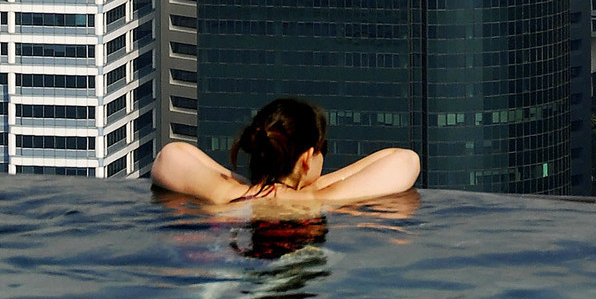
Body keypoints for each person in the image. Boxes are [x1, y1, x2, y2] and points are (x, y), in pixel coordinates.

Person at [151, 96, 419, 207]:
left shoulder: (226, 195)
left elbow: (172, 154)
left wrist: (250, 187)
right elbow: (405, 160)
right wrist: (317, 190)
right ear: (306, 159)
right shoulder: (317, 202)